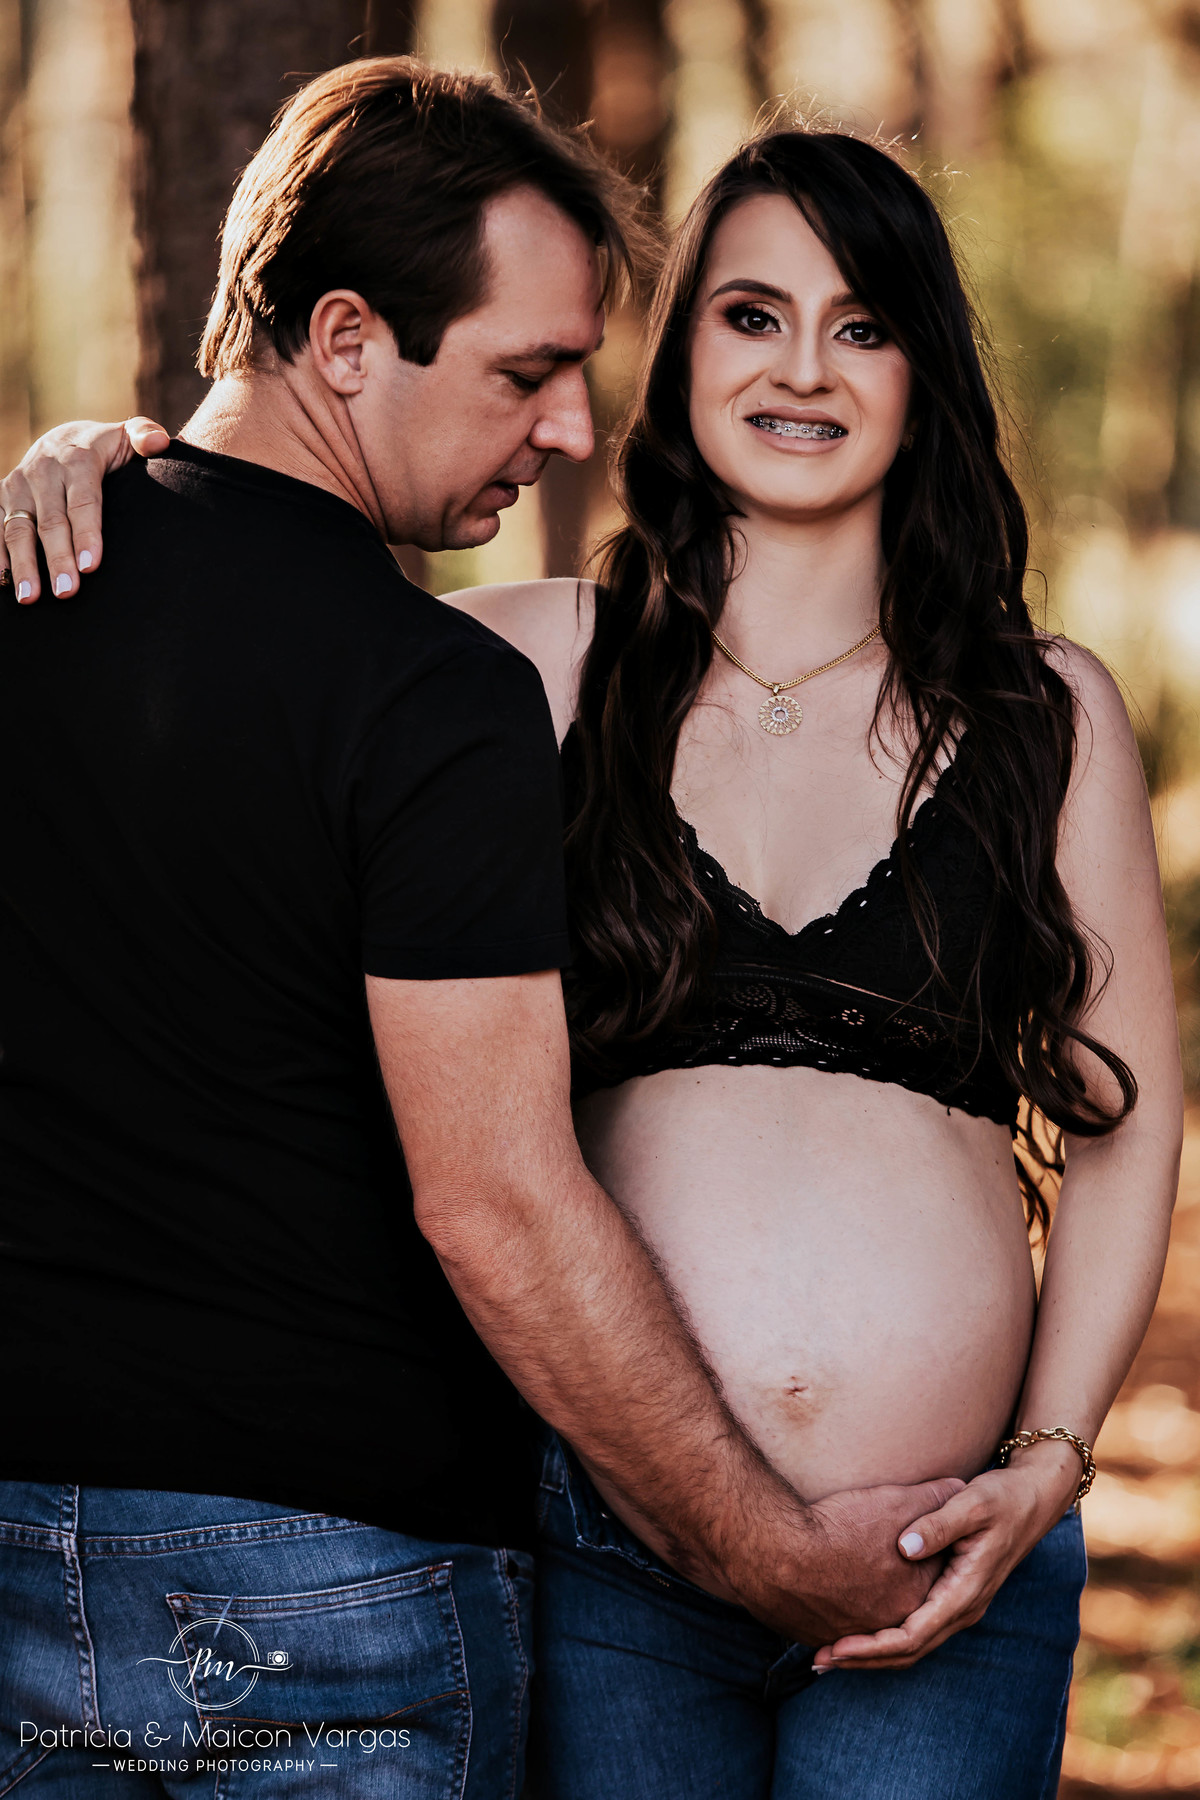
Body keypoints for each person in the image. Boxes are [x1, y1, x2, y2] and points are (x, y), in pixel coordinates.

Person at [5, 125, 1180, 1798]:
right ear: (679, 356)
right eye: (751, 316)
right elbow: (263, 612)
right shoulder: (528, 660)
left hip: (951, 1547)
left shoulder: (1046, 710)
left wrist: (1050, 1461)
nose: (802, 368)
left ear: (924, 373)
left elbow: (1132, 1126)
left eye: (861, 326)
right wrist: (94, 465)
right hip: (611, 1548)